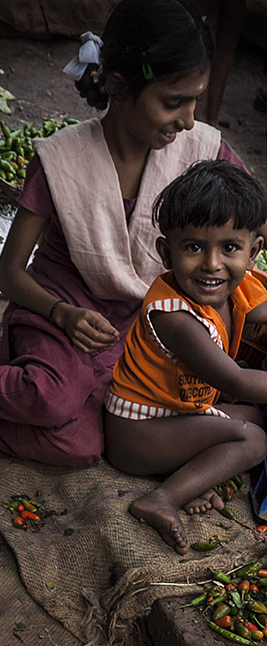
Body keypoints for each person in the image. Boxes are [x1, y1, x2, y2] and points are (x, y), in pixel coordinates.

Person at [0, 0, 256, 468]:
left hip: (143, 320)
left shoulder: (202, 147)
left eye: (194, 100)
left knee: (92, 437)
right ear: (120, 86)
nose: (187, 119)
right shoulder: (61, 162)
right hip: (61, 309)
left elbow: (255, 221)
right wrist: (61, 315)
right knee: (58, 413)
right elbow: (9, 275)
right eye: (172, 102)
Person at [104, 160, 267, 555]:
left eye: (230, 248)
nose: (212, 264)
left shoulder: (239, 286)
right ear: (166, 252)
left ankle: (192, 474)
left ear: (253, 252)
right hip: (136, 435)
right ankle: (162, 497)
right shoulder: (174, 316)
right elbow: (235, 382)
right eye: (193, 247)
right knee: (254, 439)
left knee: (251, 415)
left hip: (178, 414)